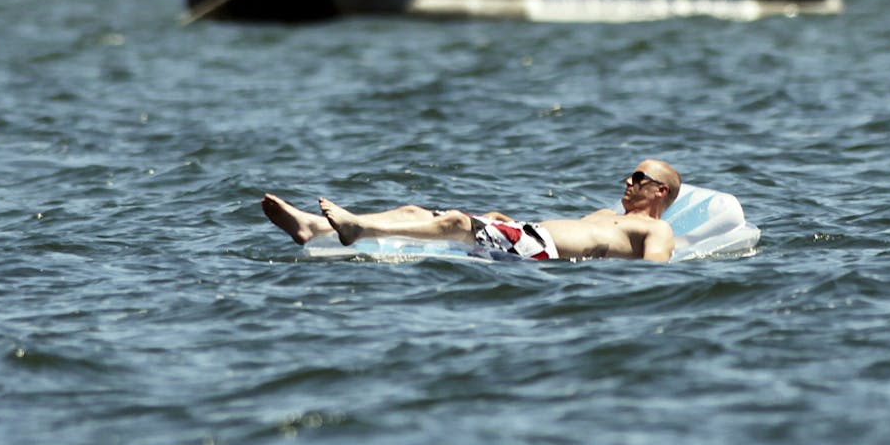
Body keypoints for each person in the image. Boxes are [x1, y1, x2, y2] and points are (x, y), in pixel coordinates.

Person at [259, 158, 682, 262]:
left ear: (660, 190)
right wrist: (504, 221)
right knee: (413, 209)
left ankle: (357, 229)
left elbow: (653, 276)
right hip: (529, 237)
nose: (628, 182)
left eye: (637, 177)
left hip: (541, 254)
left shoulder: (656, 231)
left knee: (457, 223)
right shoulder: (605, 215)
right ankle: (313, 227)